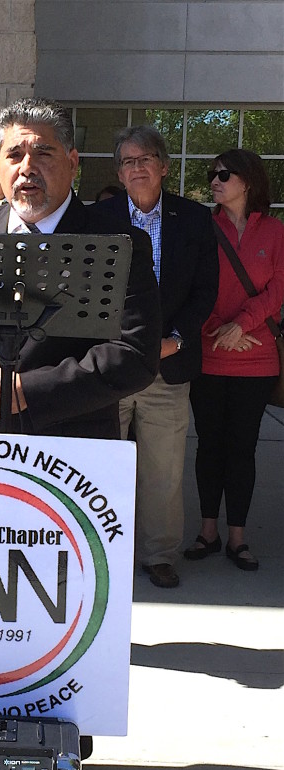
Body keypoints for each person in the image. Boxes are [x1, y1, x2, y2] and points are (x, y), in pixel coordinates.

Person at [0, 98, 161, 441]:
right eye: (13, 155)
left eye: (42, 153)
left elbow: (135, 354)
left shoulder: (119, 244)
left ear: (72, 162)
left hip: (70, 447)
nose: (26, 167)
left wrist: (27, 391)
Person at [102, 125, 219, 588]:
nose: (137, 168)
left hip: (167, 363)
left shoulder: (193, 219)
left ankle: (159, 555)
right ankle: (105, 552)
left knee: (163, 469)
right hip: (109, 364)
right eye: (127, 162)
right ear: (119, 171)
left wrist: (176, 340)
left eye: (145, 158)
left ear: (164, 166)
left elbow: (206, 291)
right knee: (106, 465)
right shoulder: (99, 217)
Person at [184, 149, 284, 571]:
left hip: (257, 359)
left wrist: (242, 326)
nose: (215, 181)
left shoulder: (275, 231)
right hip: (208, 355)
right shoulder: (203, 230)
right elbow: (192, 289)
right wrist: (218, 330)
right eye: (212, 175)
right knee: (209, 446)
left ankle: (238, 538)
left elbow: (278, 290)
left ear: (248, 181)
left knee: (242, 449)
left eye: (224, 174)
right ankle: (208, 531)